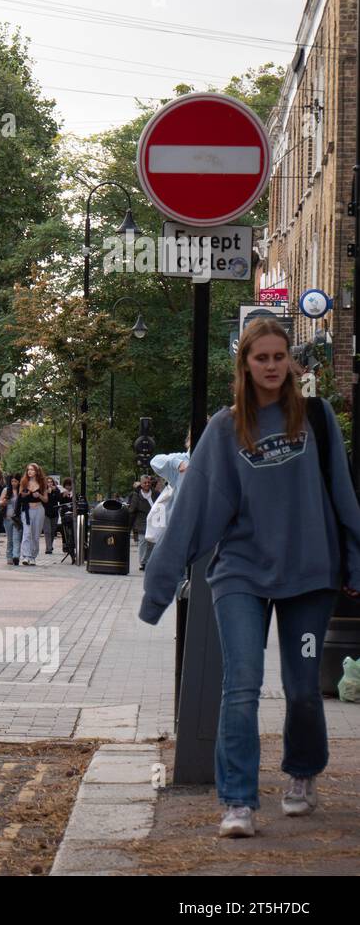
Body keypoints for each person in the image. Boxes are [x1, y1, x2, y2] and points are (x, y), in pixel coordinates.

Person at [140, 317, 360, 839]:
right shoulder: (225, 428)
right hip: (240, 572)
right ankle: (237, 801)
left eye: (278, 357)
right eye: (260, 358)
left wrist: (354, 562)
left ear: (290, 363)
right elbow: (193, 511)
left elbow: (343, 498)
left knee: (303, 689)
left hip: (310, 574)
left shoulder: (317, 419)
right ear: (245, 364)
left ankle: (302, 773)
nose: (270, 366)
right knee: (240, 687)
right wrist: (159, 589)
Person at [17, 463, 48, 566]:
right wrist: (24, 494)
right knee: (27, 533)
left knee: (35, 535)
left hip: (39, 509)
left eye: (32, 470)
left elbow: (46, 499)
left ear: (37, 471)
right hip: (27, 509)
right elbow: (20, 496)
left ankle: (33, 557)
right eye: (28, 470)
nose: (29, 472)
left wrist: (38, 495)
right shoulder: (24, 482)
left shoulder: (42, 483)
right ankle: (26, 556)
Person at [127, 474, 157, 571]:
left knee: (151, 542)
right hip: (142, 521)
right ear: (141, 483)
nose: (147, 484)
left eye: (148, 482)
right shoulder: (136, 495)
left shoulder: (156, 493)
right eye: (145, 482)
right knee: (143, 542)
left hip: (154, 521)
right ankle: (143, 562)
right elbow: (132, 510)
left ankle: (149, 561)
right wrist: (129, 526)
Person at [0, 473, 22, 566]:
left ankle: (16, 556)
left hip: (17, 518)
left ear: (19, 482)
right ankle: (9, 556)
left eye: (15, 481)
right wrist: (3, 502)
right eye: (12, 481)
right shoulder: (6, 490)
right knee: (10, 539)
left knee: (17, 538)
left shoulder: (21, 491)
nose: (13, 483)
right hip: (7, 517)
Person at [43, 476, 61, 554]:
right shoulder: (43, 491)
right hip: (45, 513)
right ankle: (48, 548)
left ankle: (50, 545)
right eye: (48, 482)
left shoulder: (56, 490)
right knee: (47, 531)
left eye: (51, 482)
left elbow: (59, 499)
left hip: (54, 513)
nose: (49, 483)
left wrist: (55, 491)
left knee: (53, 531)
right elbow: (44, 501)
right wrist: (47, 493)